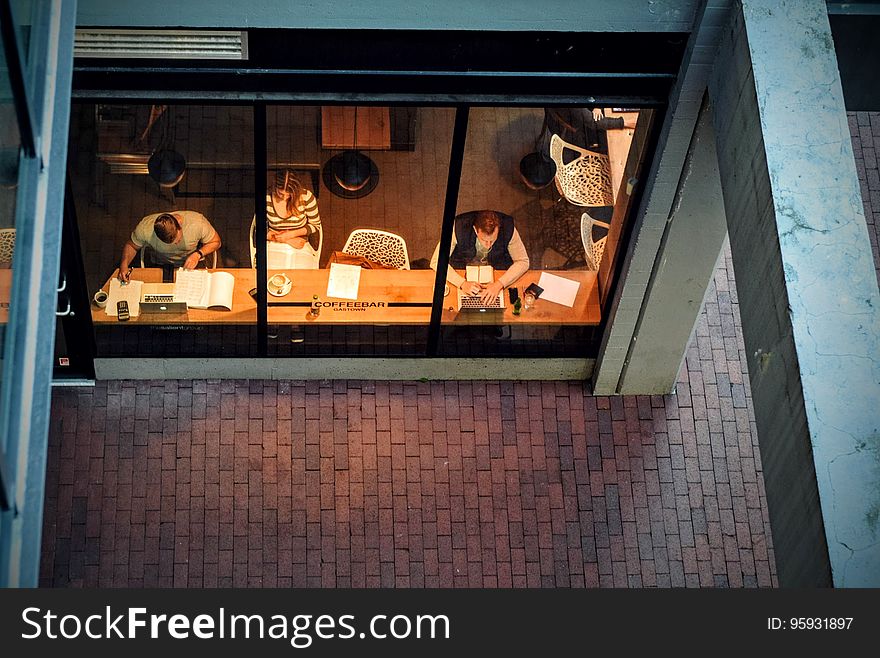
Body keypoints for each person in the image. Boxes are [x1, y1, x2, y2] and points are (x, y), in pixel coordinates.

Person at [430, 210, 529, 304]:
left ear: (498, 228)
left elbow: (523, 261)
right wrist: (462, 284)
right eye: (484, 240)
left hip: (496, 268)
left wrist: (499, 284)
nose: (488, 245)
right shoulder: (458, 227)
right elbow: (436, 261)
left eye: (492, 240)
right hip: (463, 266)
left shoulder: (508, 228)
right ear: (475, 229)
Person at [118, 210, 221, 282]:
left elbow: (216, 242)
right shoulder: (145, 228)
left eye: (178, 240)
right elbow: (131, 246)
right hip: (160, 266)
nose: (176, 244)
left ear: (180, 225)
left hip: (192, 264)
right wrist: (124, 264)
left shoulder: (198, 224)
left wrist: (198, 254)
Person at [263, 169, 321, 253]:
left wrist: (291, 234)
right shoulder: (266, 198)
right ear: (275, 187)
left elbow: (315, 225)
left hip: (300, 238)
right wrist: (287, 240)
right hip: (274, 241)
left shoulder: (306, 197)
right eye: (280, 193)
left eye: (289, 195)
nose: (284, 198)